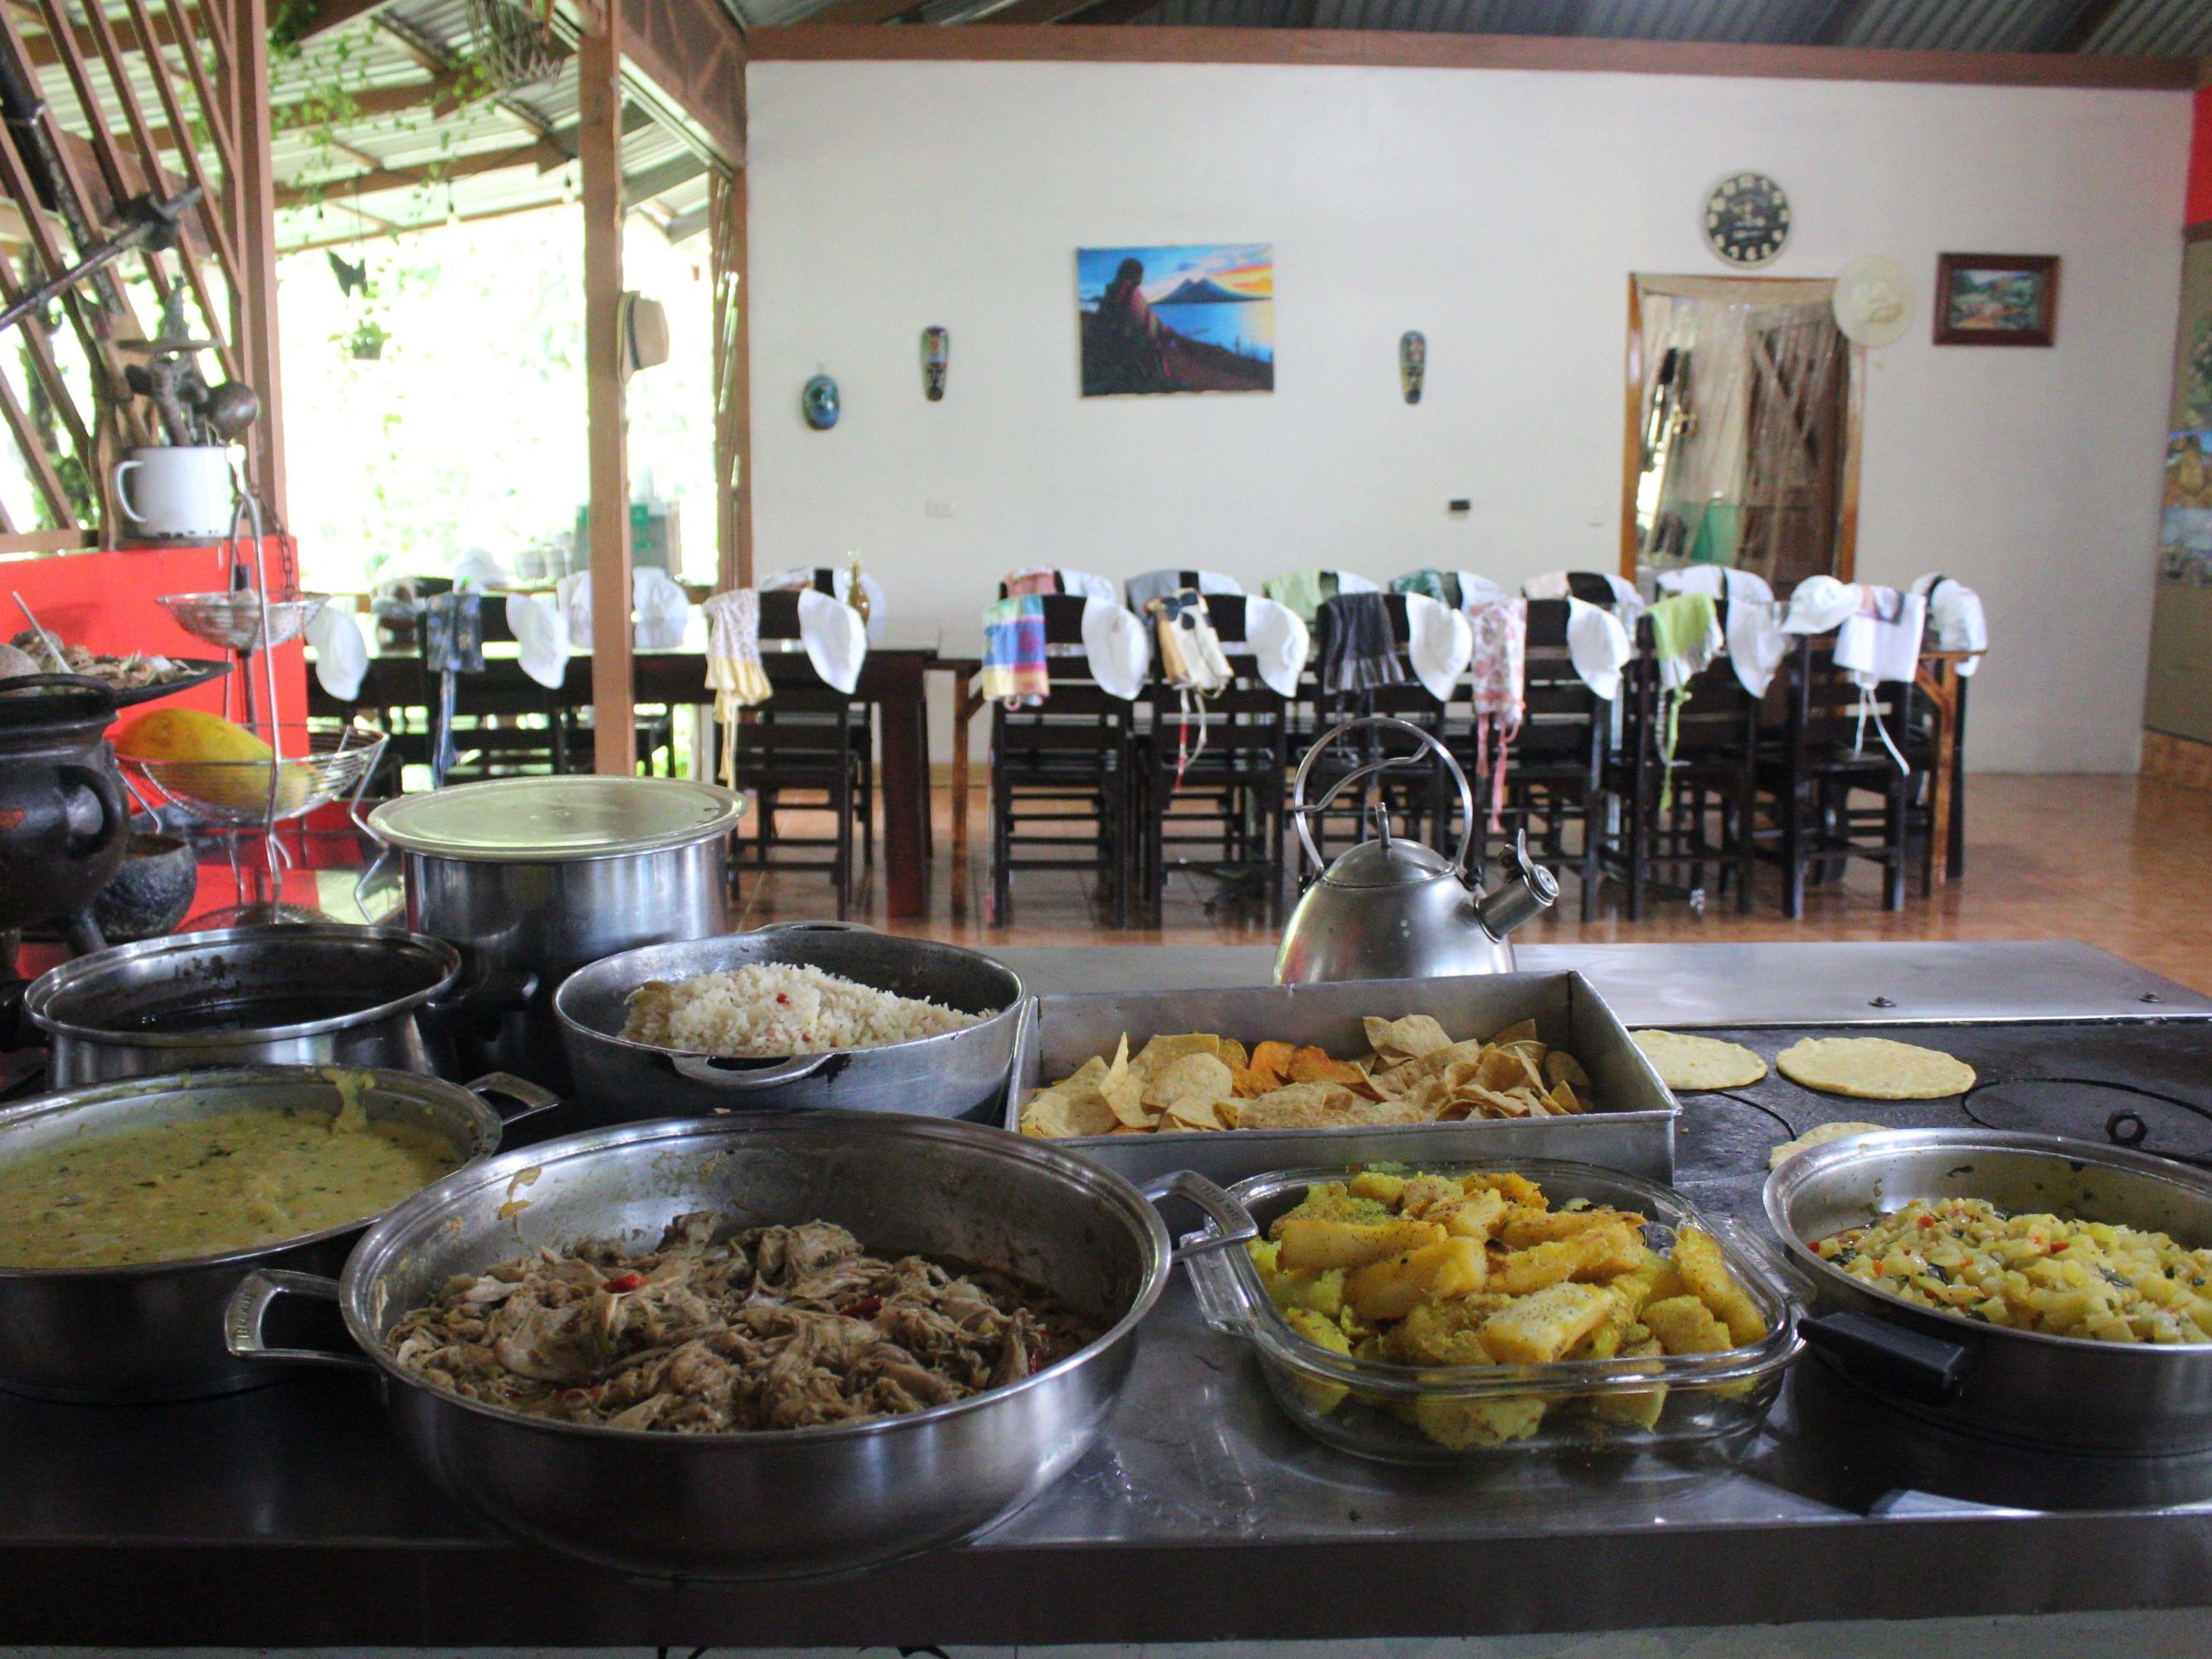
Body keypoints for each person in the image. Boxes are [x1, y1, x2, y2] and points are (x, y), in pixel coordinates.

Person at [1091, 257, 1169, 389]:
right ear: (1135, 276)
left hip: (1114, 343)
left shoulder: (1112, 291)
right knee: (1154, 347)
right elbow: (1142, 321)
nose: (1141, 279)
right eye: (1140, 275)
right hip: (1126, 346)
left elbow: (1143, 316)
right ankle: (1159, 379)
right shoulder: (1129, 292)